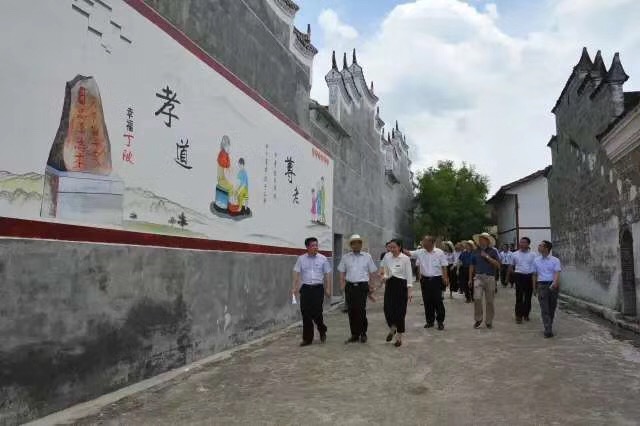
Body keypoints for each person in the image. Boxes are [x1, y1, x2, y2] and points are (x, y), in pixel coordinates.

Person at [338, 234, 379, 344]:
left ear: (361, 244)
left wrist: (372, 286)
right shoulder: (346, 257)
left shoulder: (367, 256)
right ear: (351, 245)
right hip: (350, 286)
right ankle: (354, 335)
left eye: (359, 243)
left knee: (361, 310)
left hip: (362, 286)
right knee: (351, 311)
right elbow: (342, 272)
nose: (357, 245)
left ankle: (363, 333)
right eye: (354, 243)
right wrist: (342, 285)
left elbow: (372, 272)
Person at [292, 237, 332, 346]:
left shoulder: (323, 259)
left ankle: (322, 329)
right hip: (305, 289)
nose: (316, 247)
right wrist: (294, 287)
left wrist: (328, 288)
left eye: (316, 245)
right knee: (305, 313)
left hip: (318, 288)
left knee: (317, 312)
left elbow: (328, 274)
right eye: (313, 245)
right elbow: (296, 273)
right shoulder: (301, 259)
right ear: (307, 247)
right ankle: (307, 339)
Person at [406, 236, 449, 330]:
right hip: (425, 280)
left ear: (431, 243)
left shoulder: (439, 252)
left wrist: (445, 277)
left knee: (438, 301)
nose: (422, 243)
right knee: (427, 301)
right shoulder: (420, 252)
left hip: (437, 280)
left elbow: (444, 265)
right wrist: (399, 247)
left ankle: (440, 321)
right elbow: (409, 253)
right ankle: (430, 321)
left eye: (424, 241)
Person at [381, 239, 413, 347]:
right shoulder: (387, 256)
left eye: (394, 247)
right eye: (390, 247)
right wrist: (384, 277)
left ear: (399, 247)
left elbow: (409, 276)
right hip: (390, 285)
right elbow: (385, 270)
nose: (392, 249)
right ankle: (392, 327)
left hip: (401, 285)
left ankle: (399, 338)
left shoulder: (405, 259)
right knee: (387, 309)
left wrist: (409, 291)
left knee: (400, 312)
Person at [469, 233, 501, 329]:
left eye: (482, 239)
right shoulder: (475, 251)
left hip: (490, 277)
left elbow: (498, 265)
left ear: (487, 240)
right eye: (479, 239)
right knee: (477, 298)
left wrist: (487, 257)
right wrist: (470, 279)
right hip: (478, 277)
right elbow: (471, 265)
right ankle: (478, 319)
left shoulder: (493, 251)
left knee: (490, 301)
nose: (480, 241)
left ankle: (489, 321)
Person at [533, 240, 562, 338]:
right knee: (544, 308)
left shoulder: (555, 260)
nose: (539, 247)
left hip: (553, 285)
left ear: (546, 248)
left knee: (552, 307)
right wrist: (534, 287)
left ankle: (549, 325)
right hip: (541, 285)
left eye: (541, 245)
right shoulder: (536, 260)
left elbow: (557, 273)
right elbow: (535, 274)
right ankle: (548, 329)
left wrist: (554, 284)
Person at [510, 237, 537, 323]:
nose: (521, 244)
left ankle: (526, 314)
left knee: (528, 297)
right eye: (520, 242)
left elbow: (535, 268)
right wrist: (513, 274)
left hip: (529, 276)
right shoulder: (514, 254)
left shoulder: (533, 255)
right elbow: (511, 266)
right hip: (519, 276)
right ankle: (518, 316)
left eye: (524, 242)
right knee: (519, 296)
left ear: (528, 244)